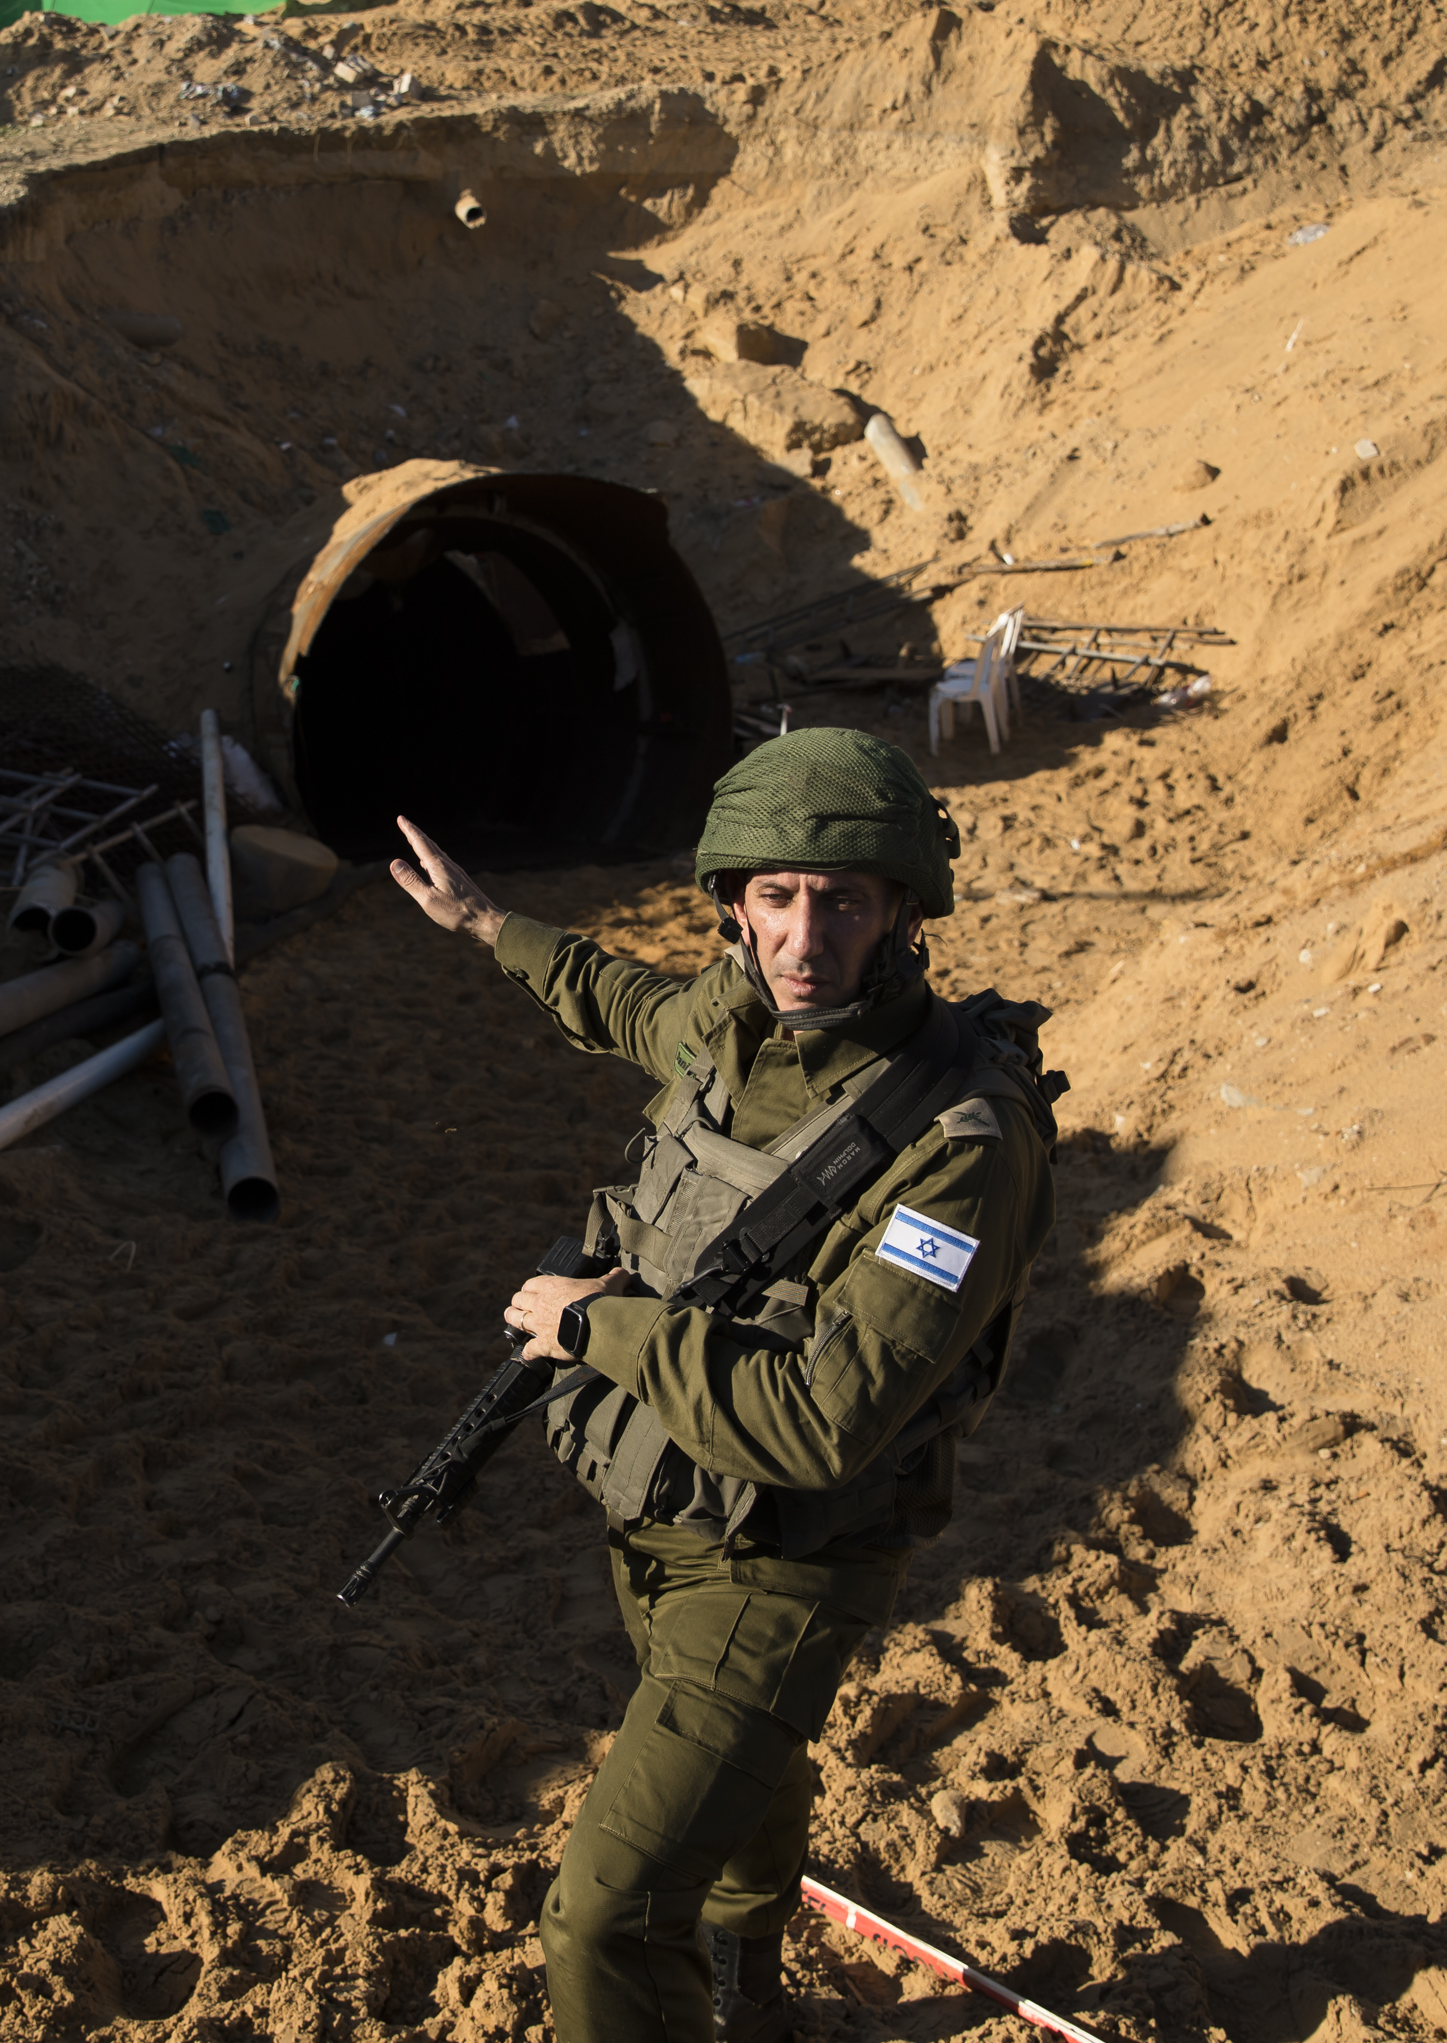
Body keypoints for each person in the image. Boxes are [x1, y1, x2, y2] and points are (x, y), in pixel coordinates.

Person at [389, 728, 1060, 2043]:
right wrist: (487, 924)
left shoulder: (959, 1146)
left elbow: (823, 1418)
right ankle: (754, 1982)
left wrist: (601, 1328)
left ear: (901, 913)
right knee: (739, 1790)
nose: (805, 936)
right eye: (776, 897)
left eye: (843, 899)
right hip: (663, 1517)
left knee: (605, 1918)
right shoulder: (734, 1019)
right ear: (736, 905)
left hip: (791, 1562)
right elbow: (630, 1007)